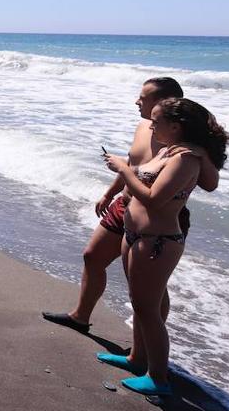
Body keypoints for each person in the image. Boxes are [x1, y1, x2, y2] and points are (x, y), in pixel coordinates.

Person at [43, 78, 219, 334]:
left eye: (143, 97)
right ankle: (80, 317)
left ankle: (146, 349)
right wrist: (110, 192)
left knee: (150, 287)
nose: (137, 101)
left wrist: (201, 156)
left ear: (164, 103)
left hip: (156, 218)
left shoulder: (186, 145)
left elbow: (210, 183)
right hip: (124, 205)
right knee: (92, 256)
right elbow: (133, 163)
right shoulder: (144, 126)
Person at [96, 97, 229, 396]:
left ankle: (158, 377)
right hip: (135, 235)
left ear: (176, 126)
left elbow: (155, 198)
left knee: (148, 309)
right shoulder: (170, 150)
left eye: (157, 121)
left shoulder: (184, 158)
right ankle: (137, 358)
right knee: (140, 302)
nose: (151, 126)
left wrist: (122, 168)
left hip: (157, 241)